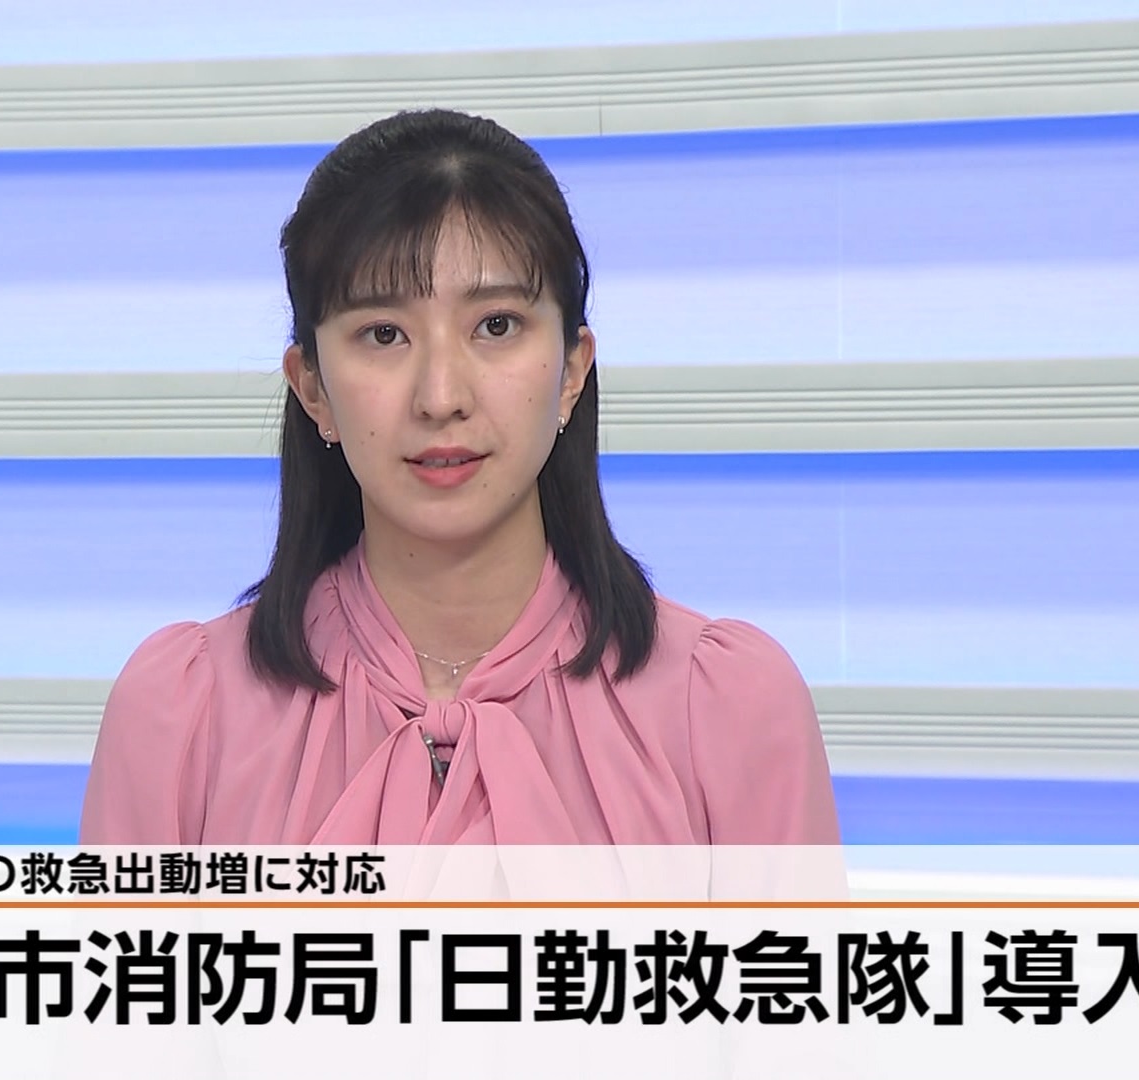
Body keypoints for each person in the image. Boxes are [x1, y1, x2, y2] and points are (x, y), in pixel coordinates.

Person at [80, 108, 840, 845]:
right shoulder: (181, 718)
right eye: (384, 334)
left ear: (572, 370)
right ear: (313, 388)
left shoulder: (728, 710)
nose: (441, 396)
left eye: (496, 325)